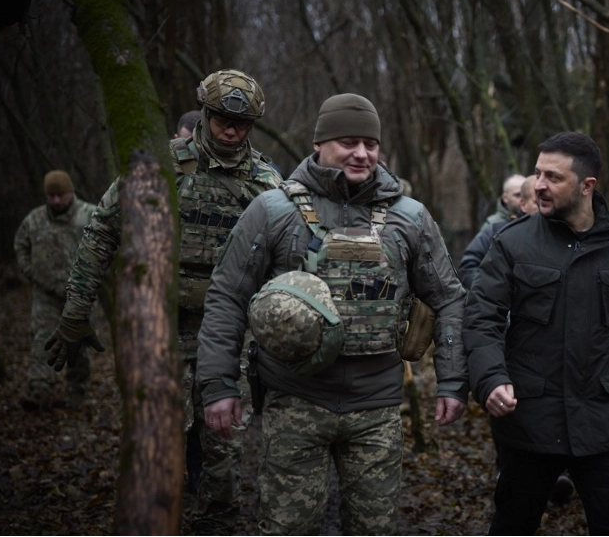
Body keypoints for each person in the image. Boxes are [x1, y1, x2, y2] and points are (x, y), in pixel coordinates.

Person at [196, 92, 468, 536]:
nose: (362, 153)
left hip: (377, 408)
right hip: (294, 401)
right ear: (319, 144)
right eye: (348, 141)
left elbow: (450, 297)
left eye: (370, 143)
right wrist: (217, 384)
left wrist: (454, 380)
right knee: (288, 528)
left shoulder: (409, 217)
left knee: (374, 529)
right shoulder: (273, 211)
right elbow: (227, 296)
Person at [45, 69, 282, 536]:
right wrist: (76, 309)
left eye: (241, 124)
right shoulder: (162, 166)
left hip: (228, 331)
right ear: (205, 113)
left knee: (224, 445)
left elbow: (288, 259)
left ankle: (217, 522)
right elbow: (101, 233)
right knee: (161, 437)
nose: (230, 131)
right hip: (162, 326)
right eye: (220, 120)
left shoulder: (267, 184)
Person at [464, 131, 609, 536]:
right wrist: (490, 379)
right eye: (538, 174)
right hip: (529, 420)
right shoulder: (512, 243)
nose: (538, 184)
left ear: (587, 186)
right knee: (512, 526)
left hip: (604, 420)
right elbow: (480, 317)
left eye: (553, 177)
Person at [14, 170, 97, 410]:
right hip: (46, 294)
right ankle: (39, 388)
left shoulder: (89, 215)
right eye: (51, 196)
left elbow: (108, 244)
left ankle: (76, 390)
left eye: (61, 195)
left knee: (79, 345)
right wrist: (31, 272)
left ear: (71, 192)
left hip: (81, 294)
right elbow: (20, 245)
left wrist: (95, 277)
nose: (56, 200)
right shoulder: (35, 220)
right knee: (43, 340)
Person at [459, 175, 535, 291]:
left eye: (525, 194)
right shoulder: (493, 227)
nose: (521, 199)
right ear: (505, 197)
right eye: (517, 195)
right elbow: (470, 265)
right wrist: (488, 292)